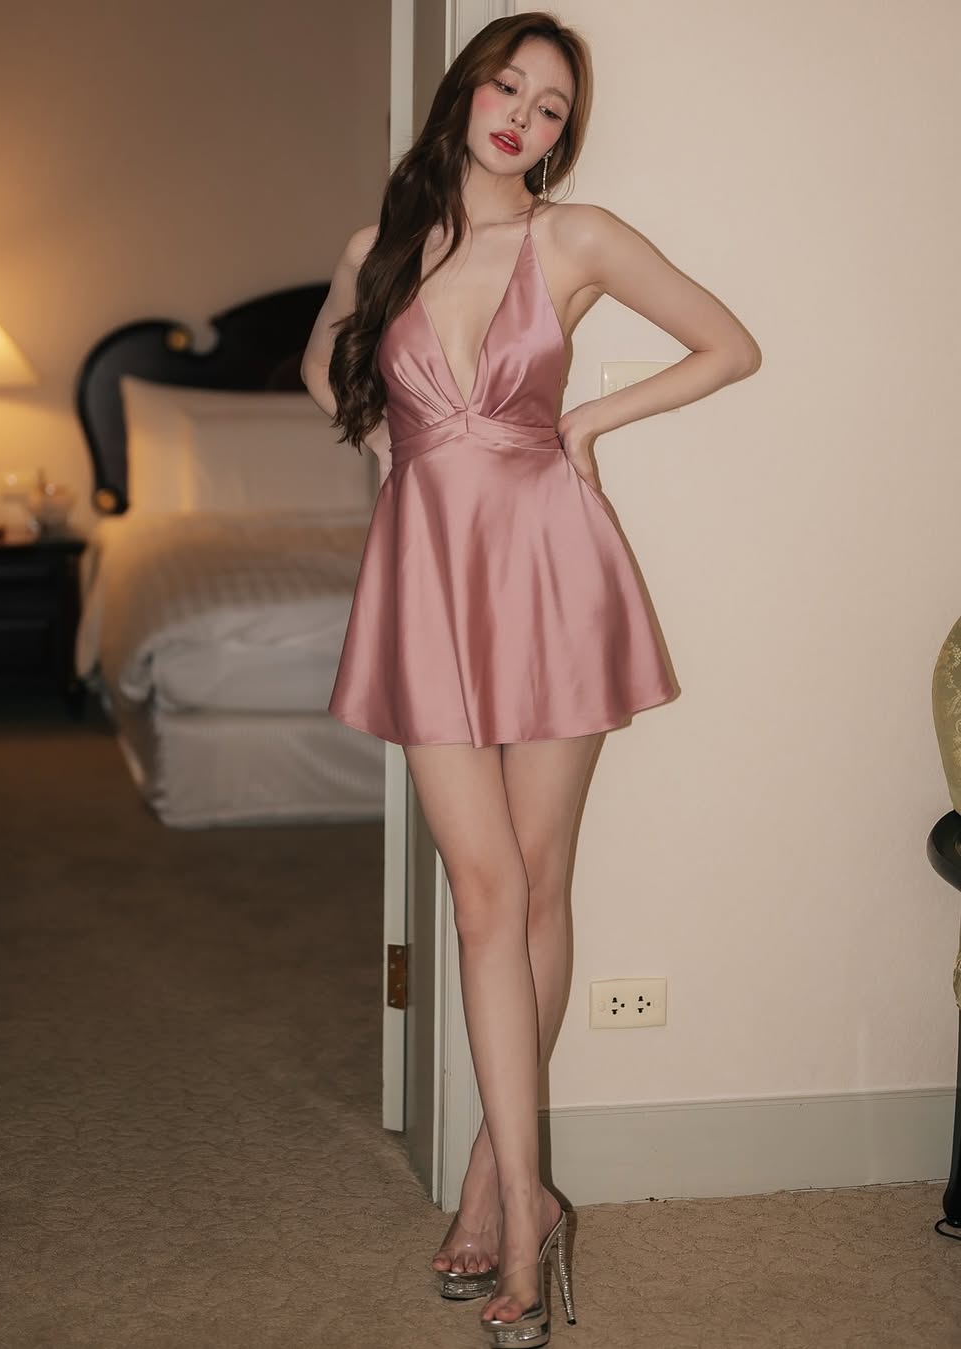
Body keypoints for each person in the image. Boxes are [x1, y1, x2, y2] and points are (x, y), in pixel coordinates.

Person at [301, 11, 759, 1345]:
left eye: (552, 107)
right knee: (485, 892)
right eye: (509, 86)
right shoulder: (379, 249)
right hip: (431, 585)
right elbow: (331, 368)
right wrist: (384, 436)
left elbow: (728, 346)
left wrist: (589, 422)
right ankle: (527, 1189)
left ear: (563, 137)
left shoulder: (576, 238)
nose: (524, 117)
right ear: (465, 91)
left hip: (554, 573)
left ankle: (501, 1192)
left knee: (536, 882)